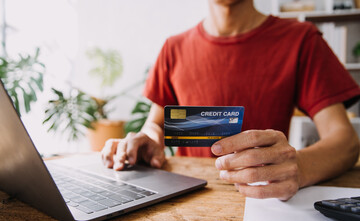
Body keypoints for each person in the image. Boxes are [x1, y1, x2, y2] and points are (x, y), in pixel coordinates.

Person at [101, 0, 360, 201]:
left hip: (263, 201)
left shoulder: (301, 40)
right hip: (184, 201)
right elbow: (156, 125)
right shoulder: (173, 48)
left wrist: (301, 167)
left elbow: (345, 141)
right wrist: (147, 139)